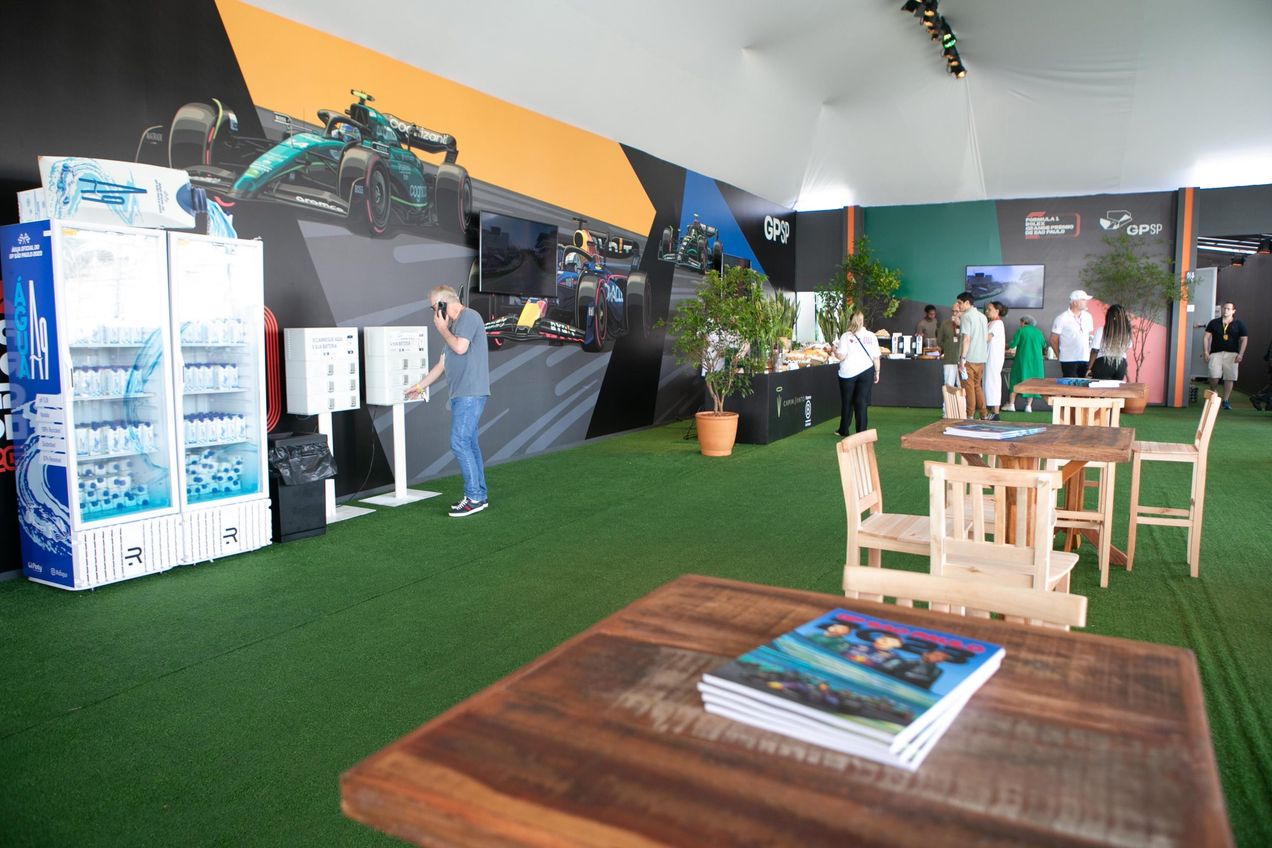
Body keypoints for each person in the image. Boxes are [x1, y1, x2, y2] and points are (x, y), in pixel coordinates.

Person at [406, 285, 491, 516]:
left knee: (459, 442)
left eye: (434, 307)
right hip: (462, 395)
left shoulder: (468, 317)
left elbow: (461, 348)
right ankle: (479, 495)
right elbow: (442, 364)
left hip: (469, 394)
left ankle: (473, 497)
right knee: (469, 443)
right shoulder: (455, 327)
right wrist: (419, 387)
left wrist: (443, 329)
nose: (434, 313)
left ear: (443, 304)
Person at [834, 310, 881, 436]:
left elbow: (841, 357)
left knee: (847, 402)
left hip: (847, 372)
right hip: (866, 371)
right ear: (863, 321)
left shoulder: (845, 336)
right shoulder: (871, 336)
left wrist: (834, 350)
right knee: (862, 402)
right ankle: (861, 432)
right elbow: (876, 357)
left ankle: (843, 430)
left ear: (850, 321)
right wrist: (877, 372)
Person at [1203, 301, 1248, 410]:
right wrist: (1206, 351)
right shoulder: (1214, 322)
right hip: (1215, 353)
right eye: (1224, 308)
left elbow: (1244, 339)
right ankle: (1214, 393)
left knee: (1229, 377)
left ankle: (1225, 400)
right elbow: (1206, 337)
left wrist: (1241, 354)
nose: (1226, 310)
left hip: (1232, 354)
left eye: (1228, 309)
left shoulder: (1239, 324)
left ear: (1233, 311)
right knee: (1213, 376)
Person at [955, 292, 989, 419]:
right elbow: (985, 338)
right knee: (977, 386)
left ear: (967, 303)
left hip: (969, 358)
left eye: (959, 303)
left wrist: (962, 359)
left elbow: (966, 339)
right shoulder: (983, 317)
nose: (958, 306)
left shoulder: (966, 316)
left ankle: (969, 415)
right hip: (981, 358)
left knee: (969, 388)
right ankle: (983, 414)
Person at [1049, 290, 1095, 377]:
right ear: (1075, 302)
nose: (1086, 302)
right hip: (1068, 360)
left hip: (1085, 359)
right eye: (1083, 300)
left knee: (1083, 384)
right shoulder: (1061, 318)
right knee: (1070, 384)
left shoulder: (1088, 317)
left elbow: (1088, 337)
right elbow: (1053, 339)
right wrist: (1060, 356)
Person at [1005, 315, 1046, 412]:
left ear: (1024, 322)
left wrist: (1003, 345)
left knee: (1015, 381)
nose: (1020, 324)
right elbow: (1044, 345)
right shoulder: (1039, 332)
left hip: (1022, 361)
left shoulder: (1021, 331)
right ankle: (1028, 406)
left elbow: (1013, 344)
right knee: (1031, 383)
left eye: (1021, 322)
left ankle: (1011, 405)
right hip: (1036, 362)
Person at [1089, 304, 1133, 381]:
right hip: (1121, 366)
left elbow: (1095, 351)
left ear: (1109, 317)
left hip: (1103, 364)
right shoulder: (1126, 333)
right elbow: (1124, 354)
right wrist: (1127, 374)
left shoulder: (1102, 330)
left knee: (1100, 388)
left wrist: (1089, 368)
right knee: (1115, 388)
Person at [983, 301, 1008, 419]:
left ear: (997, 311)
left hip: (994, 358)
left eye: (989, 309)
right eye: (987, 309)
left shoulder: (998, 323)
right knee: (988, 382)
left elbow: (987, 338)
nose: (986, 311)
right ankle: (992, 412)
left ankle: (995, 412)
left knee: (993, 382)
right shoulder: (991, 323)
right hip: (988, 357)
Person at [937, 311, 961, 388]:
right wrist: (948, 347)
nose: (955, 313)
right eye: (953, 311)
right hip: (950, 359)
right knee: (948, 385)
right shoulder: (945, 324)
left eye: (957, 311)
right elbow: (939, 341)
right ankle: (948, 398)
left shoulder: (966, 324)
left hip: (964, 361)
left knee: (964, 386)